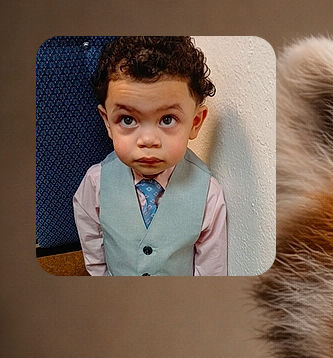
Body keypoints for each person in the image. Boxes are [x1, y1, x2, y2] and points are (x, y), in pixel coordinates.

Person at [72, 36, 227, 276]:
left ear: (195, 123)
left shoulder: (208, 193)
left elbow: (211, 271)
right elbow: (94, 253)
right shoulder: (94, 184)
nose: (147, 140)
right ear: (108, 122)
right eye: (128, 119)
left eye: (167, 120)